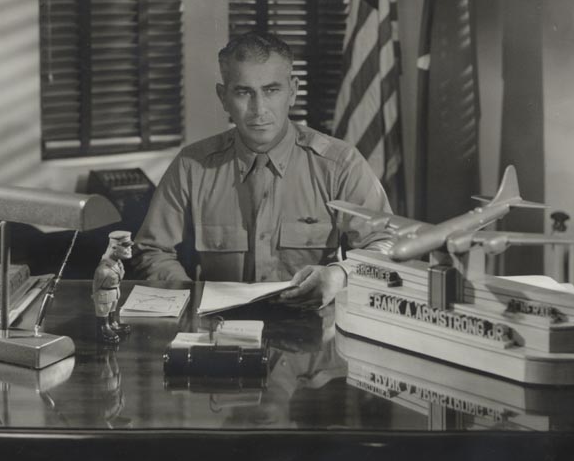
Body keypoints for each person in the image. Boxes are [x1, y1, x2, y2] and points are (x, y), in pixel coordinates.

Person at [135, 31, 393, 309]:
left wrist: (339, 275)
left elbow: (385, 246)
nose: (258, 110)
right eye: (244, 92)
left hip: (313, 330)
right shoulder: (192, 165)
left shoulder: (340, 164)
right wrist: (190, 301)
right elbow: (152, 251)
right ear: (223, 97)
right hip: (219, 329)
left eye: (271, 90)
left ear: (292, 91)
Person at [92, 230, 134, 344]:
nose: (129, 249)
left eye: (129, 246)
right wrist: (97, 297)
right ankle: (104, 328)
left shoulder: (118, 263)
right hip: (104, 295)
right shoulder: (103, 269)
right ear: (114, 247)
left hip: (114, 292)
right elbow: (96, 286)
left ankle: (112, 324)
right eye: (125, 247)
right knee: (104, 311)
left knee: (112, 309)